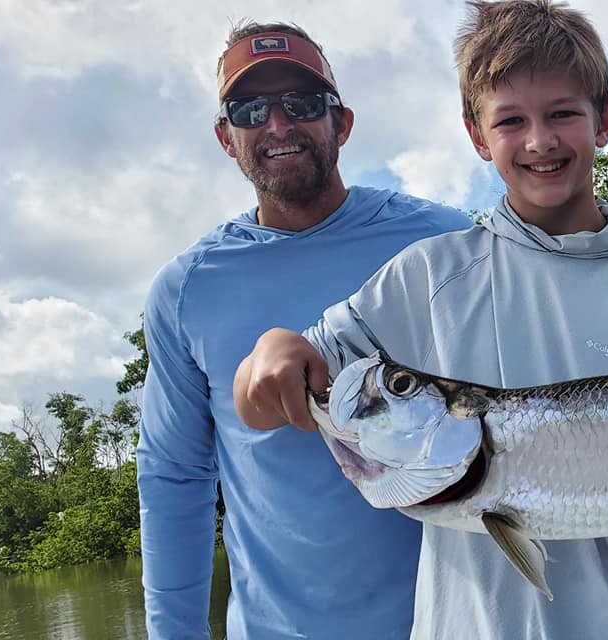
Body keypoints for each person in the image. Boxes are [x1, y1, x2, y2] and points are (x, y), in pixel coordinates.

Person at [234, 2, 608, 638]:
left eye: (562, 113)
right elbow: (260, 399)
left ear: (605, 117)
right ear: (477, 135)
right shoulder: (425, 277)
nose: (540, 141)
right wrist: (272, 350)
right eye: (510, 121)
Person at [135, 22, 472, 640]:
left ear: (340, 123)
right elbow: (174, 477)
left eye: (302, 103)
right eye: (249, 108)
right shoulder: (186, 289)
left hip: (450, 624)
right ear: (225, 137)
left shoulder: (445, 243)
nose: (278, 124)